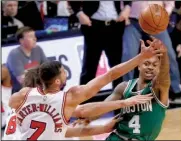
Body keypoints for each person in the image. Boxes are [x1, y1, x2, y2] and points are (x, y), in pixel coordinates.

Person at [8, 39, 163, 140]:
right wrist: (123, 102)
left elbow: (63, 130)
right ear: (56, 81)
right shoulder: (68, 99)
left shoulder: (22, 96)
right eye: (63, 71)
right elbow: (110, 75)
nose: (66, 73)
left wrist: (102, 128)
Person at [3, 66, 152, 140]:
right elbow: (85, 110)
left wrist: (103, 128)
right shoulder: (48, 104)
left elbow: (68, 131)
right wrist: (123, 103)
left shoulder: (20, 107)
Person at [84, 37, 170, 140]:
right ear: (138, 66)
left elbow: (164, 77)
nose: (150, 67)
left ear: (158, 68)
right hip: (117, 137)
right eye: (146, 64)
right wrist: (86, 119)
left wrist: (164, 56)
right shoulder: (124, 87)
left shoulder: (158, 89)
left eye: (154, 65)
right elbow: (103, 108)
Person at [122, 1, 181, 102]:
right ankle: (128, 91)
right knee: (128, 55)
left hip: (157, 22)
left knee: (168, 53)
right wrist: (125, 16)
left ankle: (175, 89)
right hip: (134, 21)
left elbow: (170, 3)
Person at [70, 1, 132, 89]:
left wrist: (127, 7)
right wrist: (79, 13)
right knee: (89, 69)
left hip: (115, 26)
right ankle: (83, 100)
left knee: (118, 68)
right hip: (93, 26)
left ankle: (119, 100)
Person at [6, 26, 48, 93]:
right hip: (20, 93)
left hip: (38, 89)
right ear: (21, 41)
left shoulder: (38, 49)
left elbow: (48, 69)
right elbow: (22, 80)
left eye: (34, 36)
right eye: (31, 36)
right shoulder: (14, 54)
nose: (35, 38)